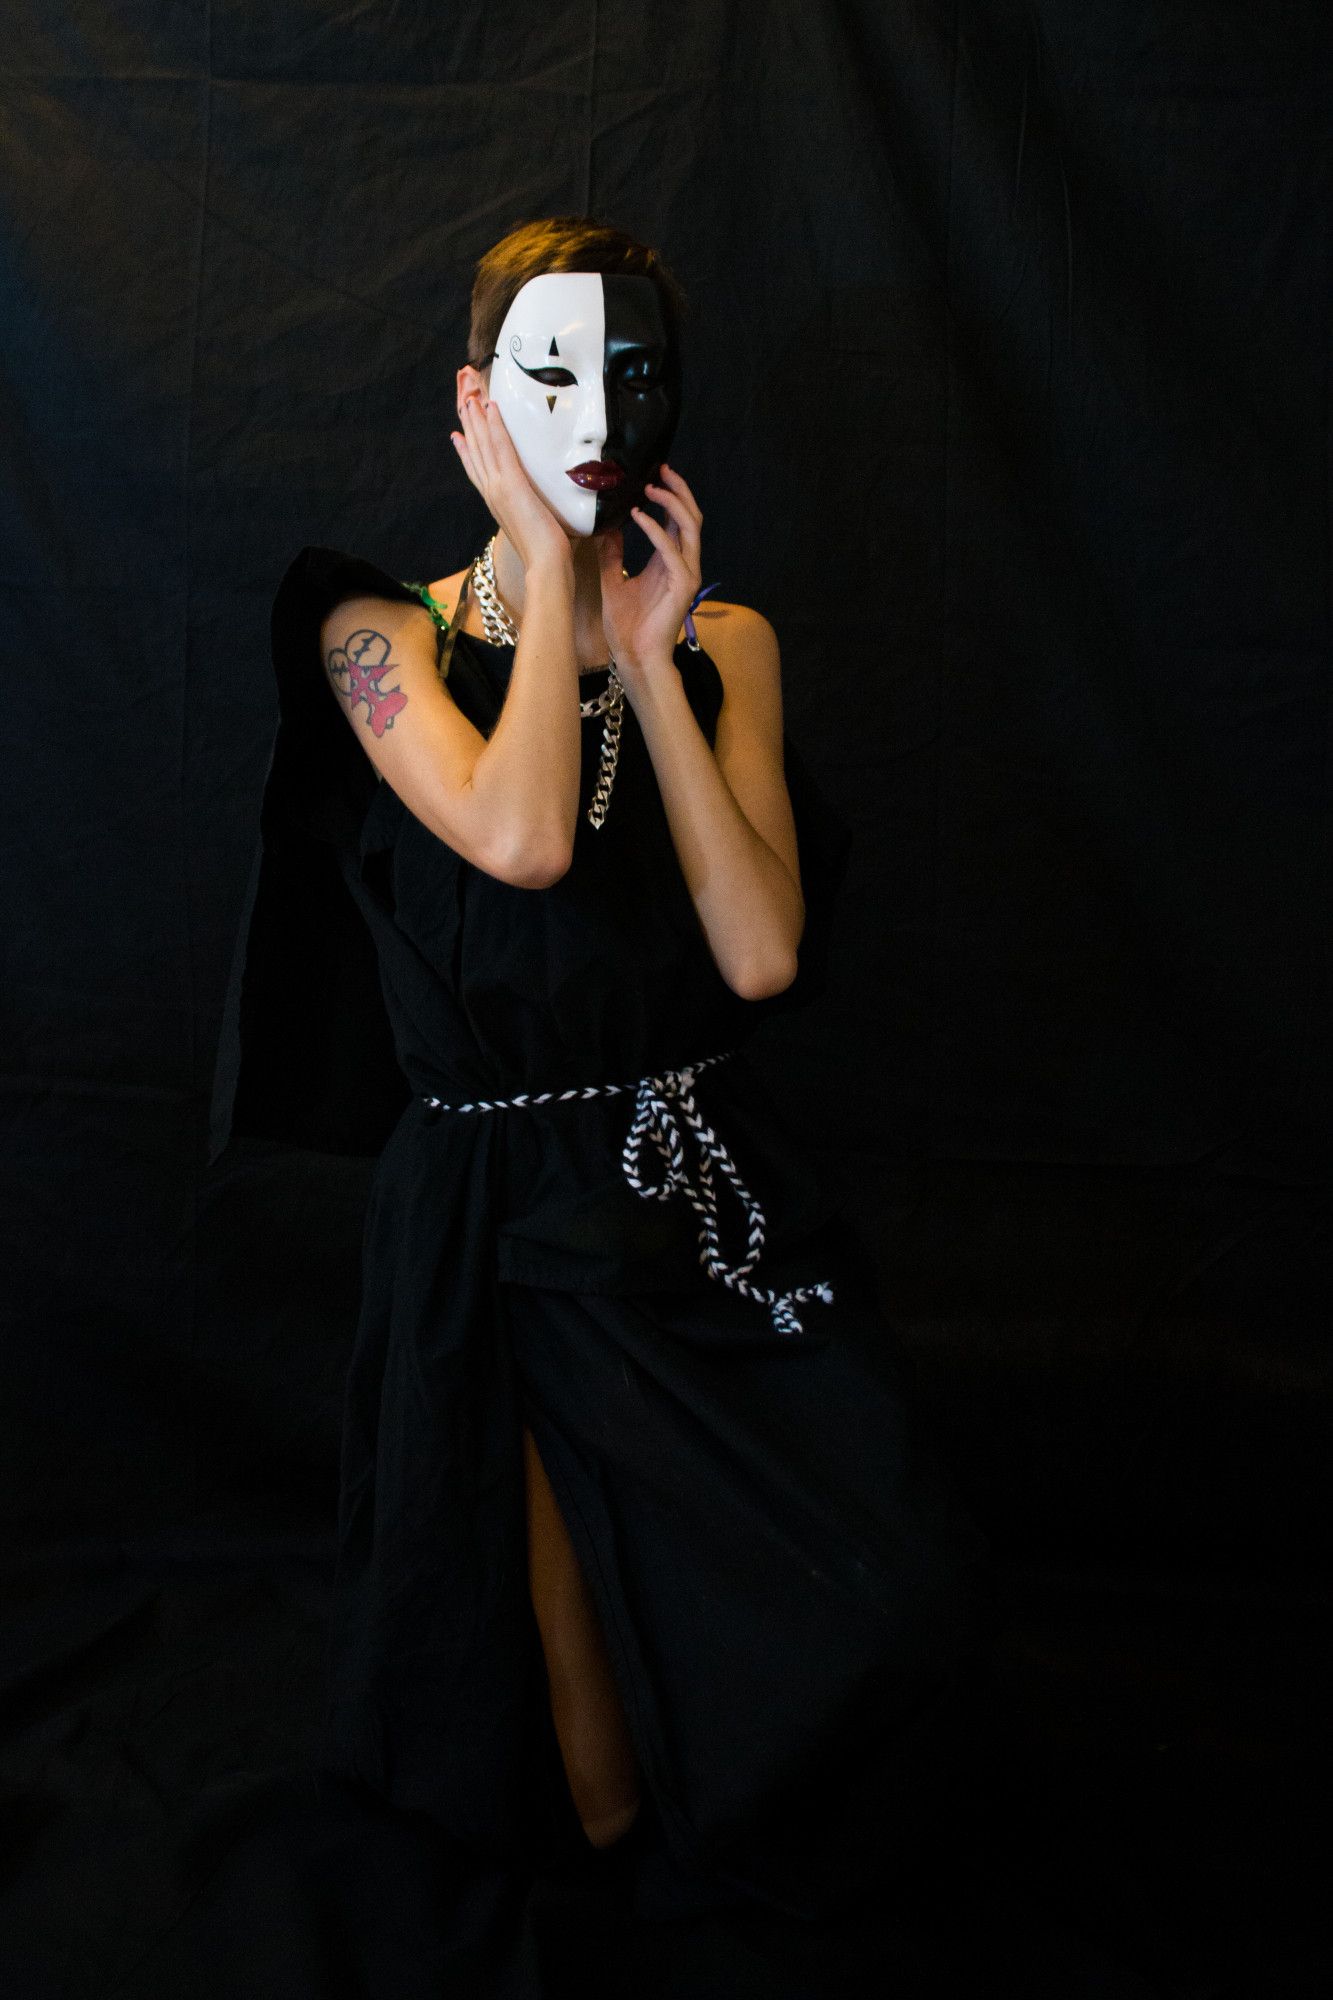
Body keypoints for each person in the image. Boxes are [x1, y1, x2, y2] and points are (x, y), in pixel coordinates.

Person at [209, 215, 993, 1920]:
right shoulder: (375, 634)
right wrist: (543, 575)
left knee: (889, 1603)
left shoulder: (727, 644)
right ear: (478, 403)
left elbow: (762, 955)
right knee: (588, 1769)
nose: (591, 414)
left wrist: (649, 655)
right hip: (500, 1222)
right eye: (548, 375)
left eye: (627, 375)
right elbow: (523, 839)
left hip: (698, 1187)